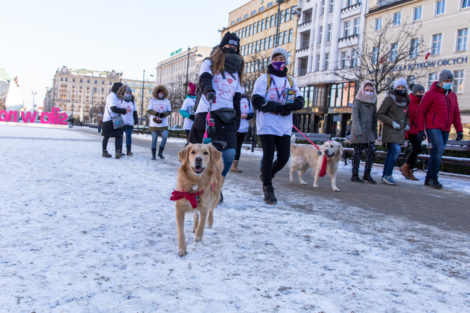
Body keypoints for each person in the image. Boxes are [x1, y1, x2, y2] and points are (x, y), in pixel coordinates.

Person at [251, 47, 305, 204]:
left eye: (281, 58)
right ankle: (268, 187)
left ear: (285, 61)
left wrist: (290, 107)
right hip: (267, 124)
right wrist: (275, 107)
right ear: (271, 61)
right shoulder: (264, 79)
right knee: (268, 156)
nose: (278, 61)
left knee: (283, 157)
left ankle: (266, 174)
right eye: (275, 59)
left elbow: (300, 100)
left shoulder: (290, 81)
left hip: (284, 126)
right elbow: (256, 100)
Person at [188, 32, 244, 180]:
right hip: (208, 112)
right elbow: (204, 79)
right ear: (222, 46)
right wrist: (209, 91)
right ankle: (195, 183)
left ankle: (216, 184)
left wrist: (237, 119)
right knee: (198, 151)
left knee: (229, 153)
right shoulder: (209, 63)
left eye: (235, 47)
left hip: (228, 116)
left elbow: (237, 98)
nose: (232, 48)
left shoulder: (237, 72)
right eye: (228, 45)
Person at [417, 69, 463, 189]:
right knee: (438, 149)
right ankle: (433, 178)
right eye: (447, 80)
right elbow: (421, 111)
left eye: (451, 81)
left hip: (446, 128)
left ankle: (429, 178)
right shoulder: (430, 94)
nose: (449, 82)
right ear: (440, 81)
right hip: (433, 127)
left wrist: (459, 130)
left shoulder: (452, 96)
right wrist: (421, 130)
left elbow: (456, 113)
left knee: (437, 152)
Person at [377, 78, 409, 185]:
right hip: (390, 130)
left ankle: (386, 175)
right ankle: (388, 175)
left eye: (403, 87)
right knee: (396, 150)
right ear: (395, 88)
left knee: (392, 152)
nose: (401, 89)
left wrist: (407, 123)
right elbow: (380, 114)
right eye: (399, 87)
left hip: (400, 132)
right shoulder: (389, 99)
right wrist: (392, 122)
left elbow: (406, 115)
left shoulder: (406, 100)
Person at [350, 80, 378, 184]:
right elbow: (355, 117)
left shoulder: (373, 102)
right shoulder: (358, 101)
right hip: (359, 131)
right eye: (367, 90)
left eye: (371, 90)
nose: (369, 92)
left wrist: (375, 133)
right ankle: (355, 174)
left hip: (369, 132)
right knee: (357, 153)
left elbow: (374, 119)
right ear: (362, 90)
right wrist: (358, 131)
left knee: (371, 151)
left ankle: (367, 174)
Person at [400, 84, 425, 181]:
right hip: (409, 129)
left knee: (416, 149)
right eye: (419, 92)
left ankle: (409, 171)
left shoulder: (422, 103)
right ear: (414, 93)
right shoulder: (408, 101)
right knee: (417, 148)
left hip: (417, 129)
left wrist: (422, 131)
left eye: (422, 92)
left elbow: (421, 118)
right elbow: (405, 117)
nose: (421, 94)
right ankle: (405, 167)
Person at [102, 82, 129, 159]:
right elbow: (113, 108)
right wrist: (124, 111)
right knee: (107, 136)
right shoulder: (112, 96)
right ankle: (106, 151)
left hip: (115, 118)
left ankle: (118, 151)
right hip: (110, 119)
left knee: (119, 135)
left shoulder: (117, 97)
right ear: (118, 88)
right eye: (121, 89)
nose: (122, 92)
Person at [231, 94, 254, 173]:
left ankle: (234, 166)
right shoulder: (233, 97)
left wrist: (247, 116)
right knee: (230, 145)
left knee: (238, 146)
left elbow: (252, 114)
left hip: (243, 127)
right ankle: (224, 163)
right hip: (233, 126)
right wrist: (237, 116)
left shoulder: (247, 100)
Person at [147, 85, 171, 160]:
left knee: (165, 136)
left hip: (163, 123)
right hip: (154, 123)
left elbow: (169, 111)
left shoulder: (167, 101)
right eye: (159, 92)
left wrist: (164, 114)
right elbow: (149, 110)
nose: (160, 94)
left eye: (162, 93)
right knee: (154, 138)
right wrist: (156, 113)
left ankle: (160, 152)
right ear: (157, 93)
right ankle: (153, 154)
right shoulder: (152, 101)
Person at [118, 85, 138, 156]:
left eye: (129, 93)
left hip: (129, 122)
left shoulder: (133, 102)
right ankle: (119, 150)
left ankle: (128, 151)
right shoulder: (120, 100)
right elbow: (117, 110)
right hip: (121, 122)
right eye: (127, 92)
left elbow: (135, 112)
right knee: (120, 137)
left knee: (128, 137)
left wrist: (136, 120)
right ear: (124, 93)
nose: (128, 94)